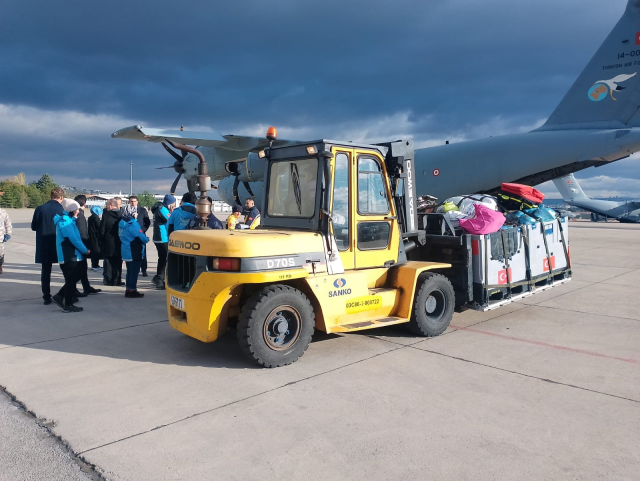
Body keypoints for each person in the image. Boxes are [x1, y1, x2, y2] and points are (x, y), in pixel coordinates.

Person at [51, 199, 89, 313]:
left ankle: (60, 296)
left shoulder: (69, 220)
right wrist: (85, 250)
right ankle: (67, 304)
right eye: (76, 209)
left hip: (73, 254)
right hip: (69, 255)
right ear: (71, 210)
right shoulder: (65, 222)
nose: (78, 211)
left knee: (75, 277)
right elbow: (72, 239)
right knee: (71, 279)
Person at [31, 187, 65, 305]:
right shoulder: (62, 209)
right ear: (61, 197)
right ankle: (67, 293)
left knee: (46, 271)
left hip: (44, 244)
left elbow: (33, 227)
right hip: (58, 244)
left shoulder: (40, 208)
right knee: (66, 270)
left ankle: (46, 297)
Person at [73, 195, 101, 296]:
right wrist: (85, 248)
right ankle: (72, 288)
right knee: (79, 269)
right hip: (81, 245)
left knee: (83, 268)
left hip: (80, 245)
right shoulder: (79, 214)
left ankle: (86, 287)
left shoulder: (77, 213)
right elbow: (82, 233)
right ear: (85, 203)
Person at [119, 207, 149, 298]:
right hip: (134, 250)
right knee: (134, 272)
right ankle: (132, 290)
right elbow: (141, 237)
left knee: (129, 271)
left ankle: (128, 289)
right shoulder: (133, 224)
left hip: (125, 249)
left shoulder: (121, 223)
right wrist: (147, 239)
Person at [150, 194, 175, 289]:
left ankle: (158, 277)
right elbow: (169, 220)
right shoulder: (162, 210)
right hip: (163, 237)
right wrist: (172, 212)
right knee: (165, 259)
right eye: (172, 204)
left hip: (158, 237)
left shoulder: (158, 209)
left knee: (162, 258)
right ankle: (159, 279)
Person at [99, 198, 124, 286]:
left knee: (108, 262)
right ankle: (117, 280)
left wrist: (102, 239)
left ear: (112, 205)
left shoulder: (106, 216)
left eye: (108, 204)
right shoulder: (122, 216)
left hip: (108, 242)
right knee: (118, 262)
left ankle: (108, 280)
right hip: (119, 242)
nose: (107, 206)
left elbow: (102, 230)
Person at [128, 196, 151, 276]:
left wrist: (143, 230)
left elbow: (147, 222)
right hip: (130, 236)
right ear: (129, 202)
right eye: (131, 201)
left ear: (137, 202)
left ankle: (144, 269)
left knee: (142, 253)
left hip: (141, 235)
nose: (133, 203)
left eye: (134, 201)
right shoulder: (127, 211)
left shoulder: (142, 210)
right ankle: (133, 269)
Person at [87, 206, 103, 270]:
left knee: (93, 250)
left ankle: (95, 264)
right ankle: (95, 265)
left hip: (91, 235)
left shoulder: (90, 217)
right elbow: (99, 226)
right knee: (96, 251)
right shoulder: (96, 218)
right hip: (95, 236)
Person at [0, 206, 12, 274]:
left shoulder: (2, 211)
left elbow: (8, 223)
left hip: (0, 238)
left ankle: (0, 266)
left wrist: (8, 233)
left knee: (1, 254)